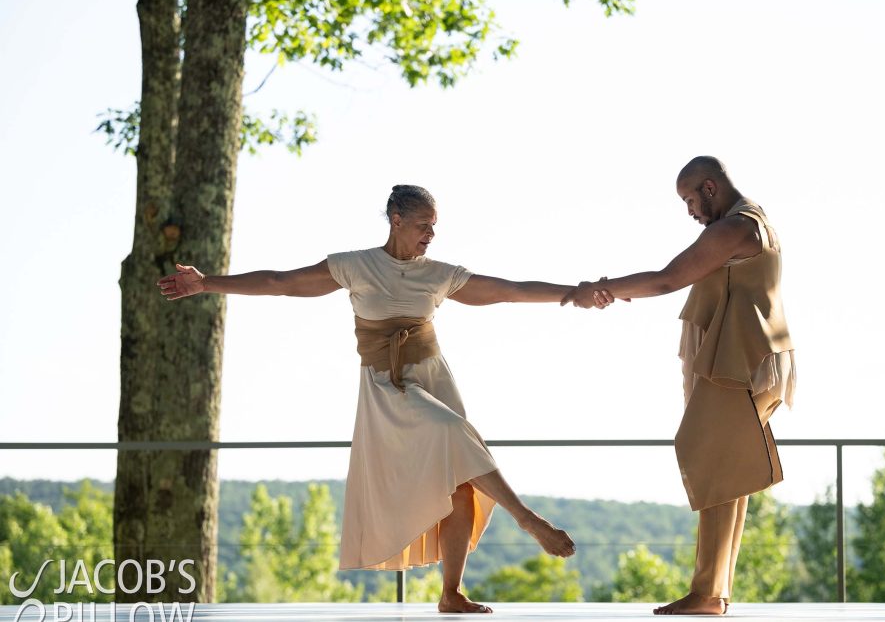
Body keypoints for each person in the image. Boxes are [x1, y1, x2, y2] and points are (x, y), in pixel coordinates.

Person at [157, 184, 576, 614]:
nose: (430, 234)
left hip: (433, 378)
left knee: (461, 486)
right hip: (387, 385)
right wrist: (206, 283)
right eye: (423, 225)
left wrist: (570, 293)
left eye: (434, 227)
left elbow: (509, 289)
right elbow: (278, 282)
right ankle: (527, 518)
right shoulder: (355, 266)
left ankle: (451, 594)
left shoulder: (439, 273)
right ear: (396, 220)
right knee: (453, 433)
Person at [563, 156, 795, 616]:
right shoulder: (752, 221)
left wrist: (600, 287)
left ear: (709, 187)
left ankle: (707, 593)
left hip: (736, 360)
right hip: (745, 356)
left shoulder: (734, 228)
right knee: (726, 471)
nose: (689, 211)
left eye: (690, 199)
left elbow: (669, 278)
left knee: (711, 462)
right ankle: (714, 592)